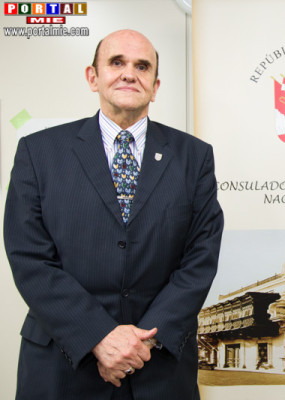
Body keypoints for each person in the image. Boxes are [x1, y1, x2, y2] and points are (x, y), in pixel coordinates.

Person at [4, 29, 224, 400]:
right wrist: (98, 336)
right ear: (93, 77)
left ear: (155, 87)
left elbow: (200, 257)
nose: (129, 73)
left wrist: (142, 343)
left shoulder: (194, 156)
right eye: (116, 62)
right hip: (63, 365)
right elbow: (29, 257)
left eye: (142, 66)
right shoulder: (38, 152)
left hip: (157, 365)